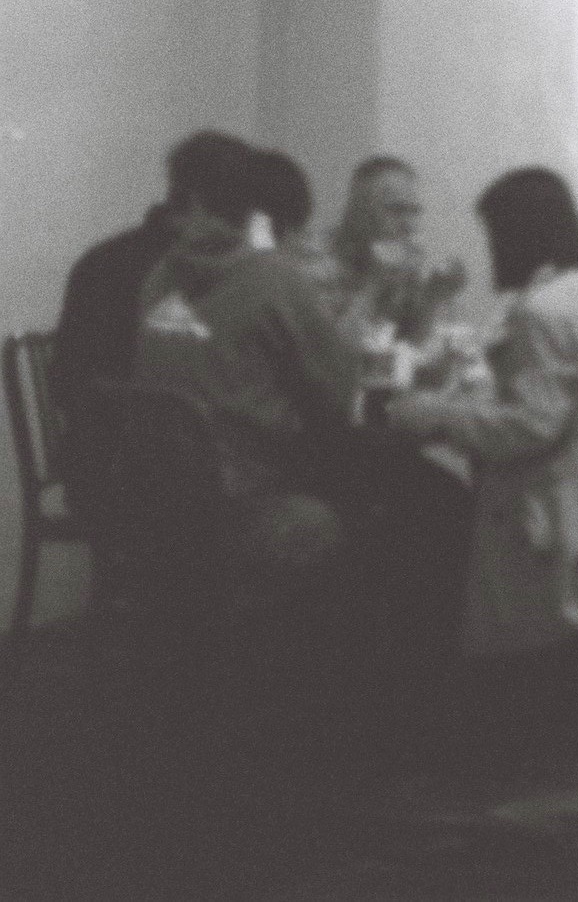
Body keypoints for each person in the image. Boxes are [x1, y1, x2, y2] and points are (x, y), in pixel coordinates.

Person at [386, 166, 578, 659]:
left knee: (429, 505)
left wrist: (434, 415)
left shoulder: (546, 312)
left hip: (566, 517)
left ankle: (435, 670)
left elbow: (530, 429)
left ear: (516, 235)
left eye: (493, 234)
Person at [132, 133, 359, 584]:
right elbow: (337, 397)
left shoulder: (160, 276)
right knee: (369, 510)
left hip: (157, 491)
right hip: (243, 502)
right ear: (253, 205)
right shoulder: (276, 280)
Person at [51, 129, 250, 521]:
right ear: (203, 202)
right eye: (242, 207)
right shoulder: (202, 274)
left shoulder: (102, 258)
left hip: (95, 466)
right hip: (155, 481)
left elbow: (65, 379)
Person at [323, 155, 464, 350]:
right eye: (396, 210)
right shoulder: (318, 261)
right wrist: (374, 285)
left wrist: (433, 297)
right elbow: (330, 354)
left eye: (414, 211)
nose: (409, 225)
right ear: (358, 213)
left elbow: (408, 347)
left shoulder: (401, 263)